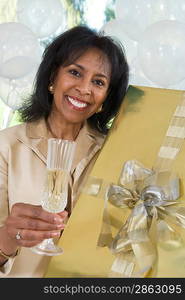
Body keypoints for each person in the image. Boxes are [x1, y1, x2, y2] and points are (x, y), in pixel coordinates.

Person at [0, 25, 129, 277]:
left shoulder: (115, 154)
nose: (84, 88)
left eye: (99, 82)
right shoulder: (7, 145)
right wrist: (6, 237)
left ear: (105, 98)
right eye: (74, 72)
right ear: (52, 78)